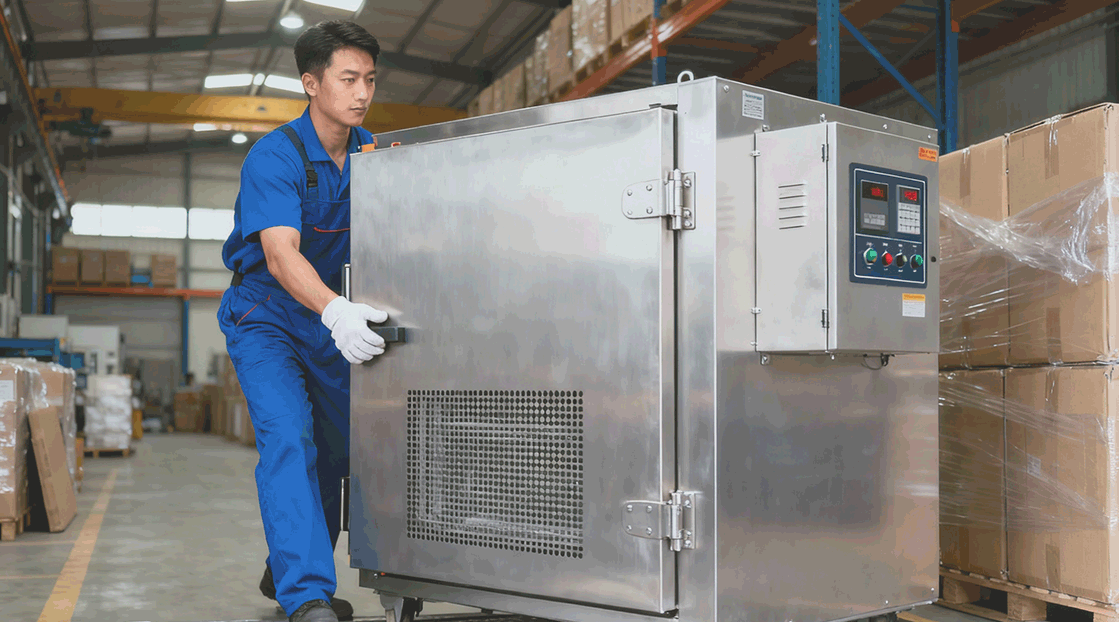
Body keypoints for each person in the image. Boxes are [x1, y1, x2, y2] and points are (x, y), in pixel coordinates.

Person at [218, 20, 389, 622]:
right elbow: (279, 253)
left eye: (370, 79)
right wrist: (337, 310)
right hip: (265, 316)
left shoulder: (375, 155)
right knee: (290, 438)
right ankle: (308, 595)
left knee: (342, 453)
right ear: (311, 84)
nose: (362, 93)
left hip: (331, 318)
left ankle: (286, 564)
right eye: (348, 78)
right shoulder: (275, 156)